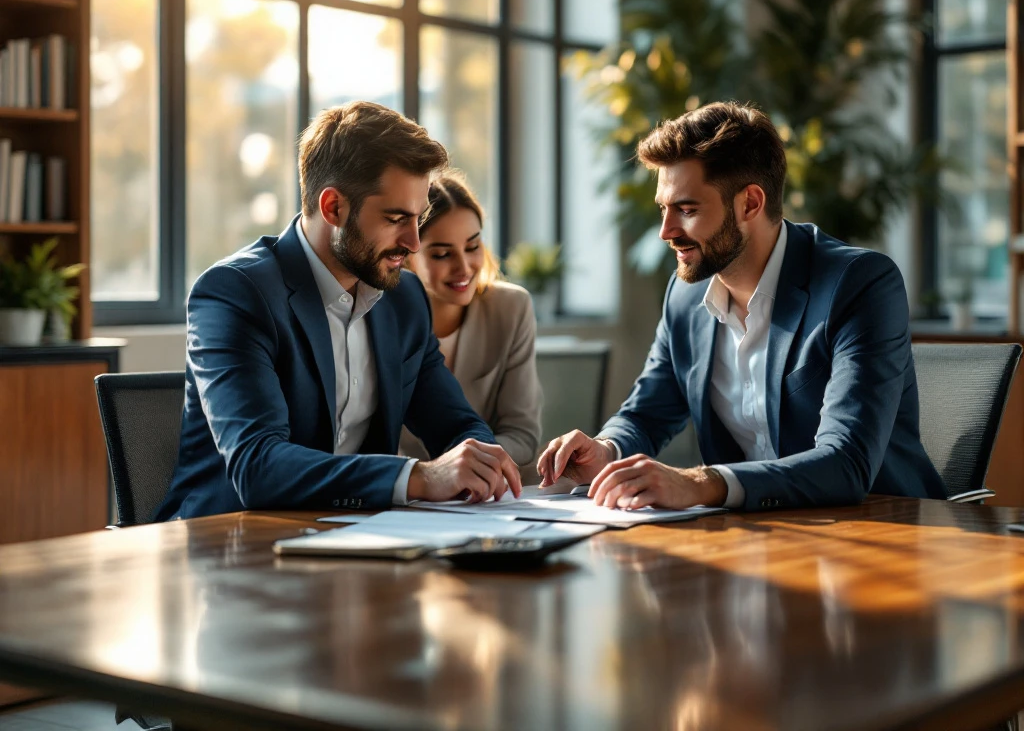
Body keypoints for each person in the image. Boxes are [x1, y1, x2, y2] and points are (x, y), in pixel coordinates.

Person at [538, 101, 946, 511]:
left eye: (687, 209)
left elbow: (847, 462)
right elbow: (646, 414)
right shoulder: (685, 296)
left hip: (883, 524)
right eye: (664, 208)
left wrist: (701, 483)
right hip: (750, 533)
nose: (666, 231)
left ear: (750, 203)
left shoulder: (858, 284)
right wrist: (606, 449)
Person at [156, 102, 521, 521]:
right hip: (228, 539)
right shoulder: (237, 293)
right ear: (333, 208)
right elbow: (257, 466)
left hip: (358, 539)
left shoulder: (404, 298)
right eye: (396, 219)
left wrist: (480, 462)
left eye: (418, 219)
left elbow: (456, 425)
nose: (414, 243)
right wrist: (417, 477)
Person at [400, 172, 542, 467]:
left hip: (486, 488)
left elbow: (523, 436)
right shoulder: (382, 317)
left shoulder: (510, 309)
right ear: (407, 256)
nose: (463, 267)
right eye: (442, 254)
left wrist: (467, 464)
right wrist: (428, 476)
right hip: (403, 487)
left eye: (473, 246)